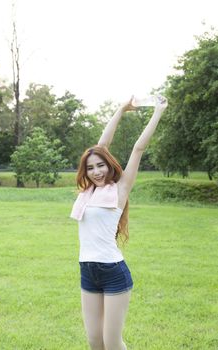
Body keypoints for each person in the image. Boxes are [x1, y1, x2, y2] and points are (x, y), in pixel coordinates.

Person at [70, 95, 168, 350]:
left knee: (112, 343)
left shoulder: (120, 189)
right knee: (94, 341)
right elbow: (101, 145)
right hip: (88, 270)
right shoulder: (88, 192)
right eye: (91, 168)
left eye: (101, 165)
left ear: (109, 166)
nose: (96, 171)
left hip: (113, 272)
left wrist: (157, 111)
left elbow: (138, 148)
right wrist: (120, 109)